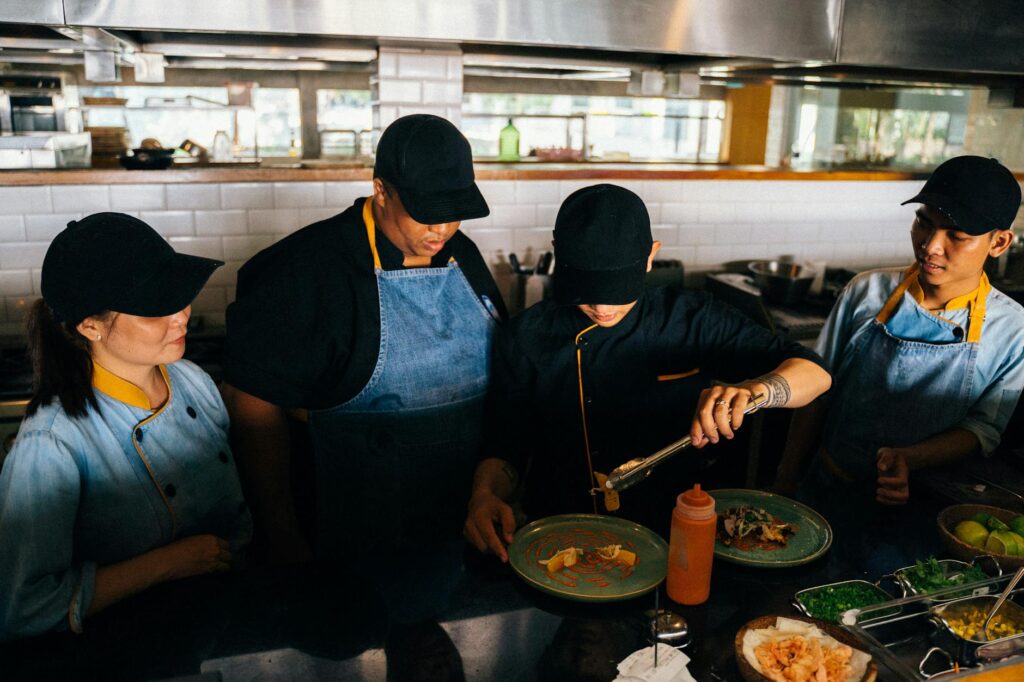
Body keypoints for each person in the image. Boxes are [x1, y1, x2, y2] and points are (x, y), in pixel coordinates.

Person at [222, 115, 504, 635]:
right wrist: (281, 533)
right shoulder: (305, 269)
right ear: (380, 190)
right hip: (352, 537)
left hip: (459, 524)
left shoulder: (460, 256)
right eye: (427, 215)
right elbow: (253, 405)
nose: (442, 230)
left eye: (455, 215)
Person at [464, 184, 832, 560]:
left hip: (677, 528)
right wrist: (484, 494)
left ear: (650, 257)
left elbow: (816, 374)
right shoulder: (525, 336)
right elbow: (505, 442)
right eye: (588, 290)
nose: (602, 307)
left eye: (618, 289)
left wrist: (755, 391)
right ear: (558, 254)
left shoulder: (691, 318)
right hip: (562, 533)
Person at [0, 213, 252, 641]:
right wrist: (166, 563)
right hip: (129, 648)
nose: (182, 316)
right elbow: (21, 608)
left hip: (229, 627)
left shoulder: (192, 381)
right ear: (90, 326)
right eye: (157, 308)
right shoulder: (52, 442)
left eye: (179, 297)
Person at [774, 156, 1024, 567]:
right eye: (924, 222)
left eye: (956, 235)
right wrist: (785, 479)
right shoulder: (866, 292)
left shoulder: (1011, 329)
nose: (930, 245)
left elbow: (983, 429)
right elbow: (817, 390)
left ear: (998, 243)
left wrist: (911, 458)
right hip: (825, 494)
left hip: (920, 519)